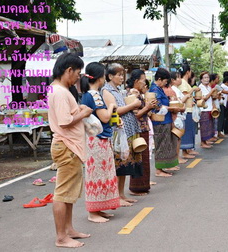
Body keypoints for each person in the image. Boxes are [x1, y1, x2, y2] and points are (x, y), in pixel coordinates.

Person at [48, 53, 92, 248]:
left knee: (69, 193)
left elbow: (66, 116)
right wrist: (83, 113)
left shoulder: (61, 90)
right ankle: (61, 237)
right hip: (67, 146)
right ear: (68, 70)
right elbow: (65, 122)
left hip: (70, 146)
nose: (78, 78)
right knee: (63, 193)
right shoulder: (59, 92)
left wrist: (78, 110)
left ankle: (69, 230)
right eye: (77, 73)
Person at [80, 62, 120, 223]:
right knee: (97, 174)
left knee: (99, 174)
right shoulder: (95, 94)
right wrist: (111, 107)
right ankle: (93, 212)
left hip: (94, 139)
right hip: (98, 139)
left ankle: (98, 208)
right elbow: (104, 117)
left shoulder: (87, 94)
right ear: (100, 77)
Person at [102, 63, 142, 207]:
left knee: (125, 164)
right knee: (118, 165)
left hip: (127, 131)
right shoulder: (106, 91)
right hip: (118, 132)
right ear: (110, 76)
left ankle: (121, 194)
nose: (121, 77)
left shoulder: (117, 90)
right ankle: (116, 196)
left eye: (122, 75)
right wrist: (133, 106)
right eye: (118, 75)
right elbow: (115, 111)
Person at [126, 69, 157, 195]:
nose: (145, 83)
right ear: (137, 81)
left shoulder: (140, 93)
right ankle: (136, 187)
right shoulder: (132, 95)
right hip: (137, 129)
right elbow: (135, 115)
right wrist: (147, 107)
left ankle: (144, 185)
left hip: (143, 128)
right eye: (143, 80)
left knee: (144, 160)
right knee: (138, 159)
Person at [149, 68, 179, 177]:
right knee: (161, 144)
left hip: (165, 120)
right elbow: (158, 107)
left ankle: (166, 165)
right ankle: (159, 169)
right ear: (160, 79)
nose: (166, 84)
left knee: (167, 144)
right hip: (160, 122)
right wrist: (172, 108)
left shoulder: (159, 89)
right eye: (165, 81)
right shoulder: (154, 90)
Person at [178, 64, 199, 158]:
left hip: (189, 108)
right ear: (188, 72)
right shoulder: (182, 82)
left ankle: (188, 150)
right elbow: (184, 95)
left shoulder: (185, 83)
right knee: (186, 131)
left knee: (189, 130)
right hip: (185, 110)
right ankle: (184, 152)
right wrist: (193, 89)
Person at [170, 71, 190, 164]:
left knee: (179, 137)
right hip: (177, 116)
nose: (180, 79)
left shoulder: (176, 89)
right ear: (173, 80)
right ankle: (176, 157)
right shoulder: (173, 89)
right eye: (178, 78)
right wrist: (187, 96)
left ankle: (177, 156)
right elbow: (179, 102)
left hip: (181, 115)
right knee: (177, 137)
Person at [198, 71, 217, 148]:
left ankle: (206, 141)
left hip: (209, 109)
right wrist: (211, 92)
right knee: (204, 127)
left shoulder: (209, 87)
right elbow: (204, 98)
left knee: (209, 126)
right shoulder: (200, 87)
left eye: (207, 77)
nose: (206, 79)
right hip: (203, 109)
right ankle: (203, 142)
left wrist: (213, 106)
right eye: (205, 77)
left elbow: (211, 98)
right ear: (201, 79)